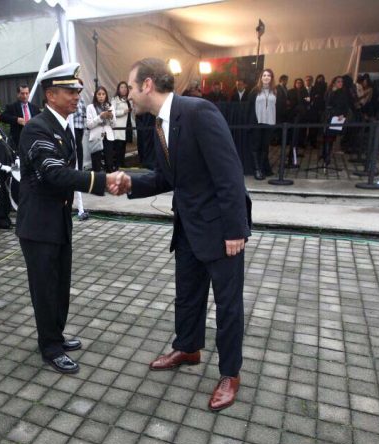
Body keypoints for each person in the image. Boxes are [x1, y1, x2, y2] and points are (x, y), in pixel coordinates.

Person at [110, 57, 251, 411]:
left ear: (146, 85)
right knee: (187, 295)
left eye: (131, 86)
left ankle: (230, 373)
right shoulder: (160, 124)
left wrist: (236, 230)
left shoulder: (198, 112)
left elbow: (229, 174)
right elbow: (165, 177)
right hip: (188, 226)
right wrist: (131, 182)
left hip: (221, 230)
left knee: (228, 305)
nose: (128, 94)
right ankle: (188, 347)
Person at [17, 63, 118, 374]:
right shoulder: (37, 127)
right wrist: (102, 181)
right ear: (51, 94)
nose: (77, 95)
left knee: (60, 285)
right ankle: (49, 347)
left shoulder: (61, 125)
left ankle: (56, 335)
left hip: (58, 220)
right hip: (39, 224)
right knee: (45, 288)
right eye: (70, 91)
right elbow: (53, 172)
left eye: (77, 90)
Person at [248, 68, 277, 180]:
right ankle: (257, 170)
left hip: (269, 123)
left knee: (265, 147)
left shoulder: (275, 91)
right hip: (257, 122)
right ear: (261, 78)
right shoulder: (254, 91)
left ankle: (262, 168)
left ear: (271, 78)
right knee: (256, 146)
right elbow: (249, 109)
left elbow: (277, 108)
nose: (266, 77)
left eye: (268, 75)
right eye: (264, 75)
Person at [85, 86, 115, 173]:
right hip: (96, 137)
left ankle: (110, 184)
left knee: (109, 163)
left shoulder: (110, 106)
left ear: (106, 95)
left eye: (103, 94)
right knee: (96, 164)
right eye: (99, 94)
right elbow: (89, 125)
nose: (101, 96)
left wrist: (111, 117)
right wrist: (100, 117)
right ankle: (97, 184)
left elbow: (113, 125)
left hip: (108, 136)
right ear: (95, 95)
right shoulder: (90, 107)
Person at [1, 84, 41, 149]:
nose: (25, 96)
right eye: (22, 93)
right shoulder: (12, 107)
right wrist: (16, 119)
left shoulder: (35, 108)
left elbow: (41, 120)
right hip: (18, 141)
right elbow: (2, 117)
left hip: (33, 140)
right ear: (18, 94)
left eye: (26, 93)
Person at [73, 90, 90, 221]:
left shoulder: (81, 100)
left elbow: (83, 114)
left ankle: (78, 172)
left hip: (78, 128)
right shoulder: (69, 100)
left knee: (79, 152)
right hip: (70, 128)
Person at [112, 81, 135, 170]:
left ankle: (122, 163)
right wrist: (123, 111)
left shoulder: (128, 99)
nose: (124, 89)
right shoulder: (115, 99)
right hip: (119, 126)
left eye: (125, 87)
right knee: (118, 146)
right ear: (118, 89)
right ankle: (117, 165)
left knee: (124, 146)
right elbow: (112, 112)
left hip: (127, 125)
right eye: (122, 87)